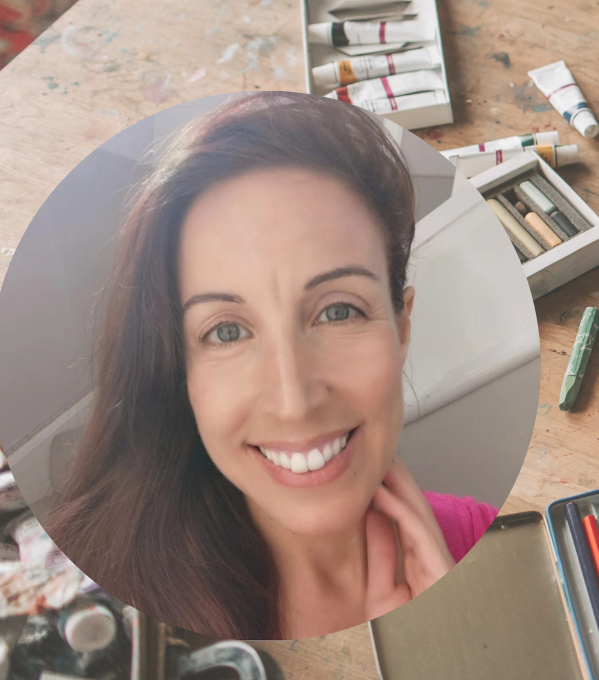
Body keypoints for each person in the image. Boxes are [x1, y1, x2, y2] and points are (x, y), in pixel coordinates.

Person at [45, 92, 497, 639]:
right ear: (178, 368)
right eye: (227, 331)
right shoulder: (89, 610)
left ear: (401, 328)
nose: (293, 399)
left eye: (337, 311)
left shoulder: (486, 543)